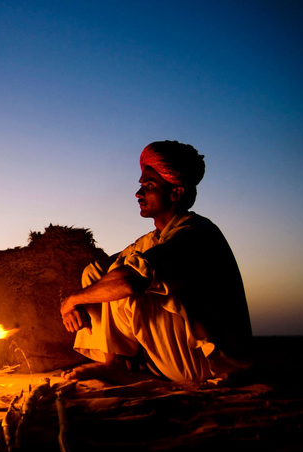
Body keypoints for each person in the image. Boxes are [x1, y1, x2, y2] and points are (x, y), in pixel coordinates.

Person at [60, 141, 252, 382]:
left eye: (149, 186)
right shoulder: (153, 239)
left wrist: (71, 301)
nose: (139, 194)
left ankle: (122, 365)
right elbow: (99, 270)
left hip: (208, 365)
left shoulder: (196, 233)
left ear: (176, 193)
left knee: (124, 277)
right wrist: (77, 299)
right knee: (98, 272)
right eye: (141, 186)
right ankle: (114, 363)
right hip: (173, 357)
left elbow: (130, 281)